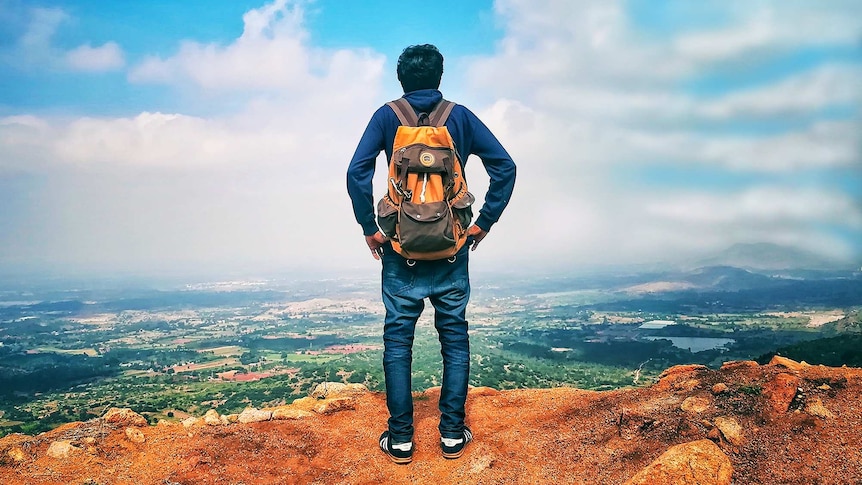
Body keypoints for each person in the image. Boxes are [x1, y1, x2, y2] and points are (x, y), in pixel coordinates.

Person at [346, 44, 516, 464]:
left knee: (398, 341)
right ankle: (452, 436)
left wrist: (370, 228)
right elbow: (505, 167)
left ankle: (401, 439)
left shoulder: (387, 116)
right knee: (454, 339)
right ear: (440, 77)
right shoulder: (459, 116)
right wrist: (483, 224)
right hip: (452, 250)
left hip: (400, 251)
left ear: (401, 79)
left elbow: (356, 172)